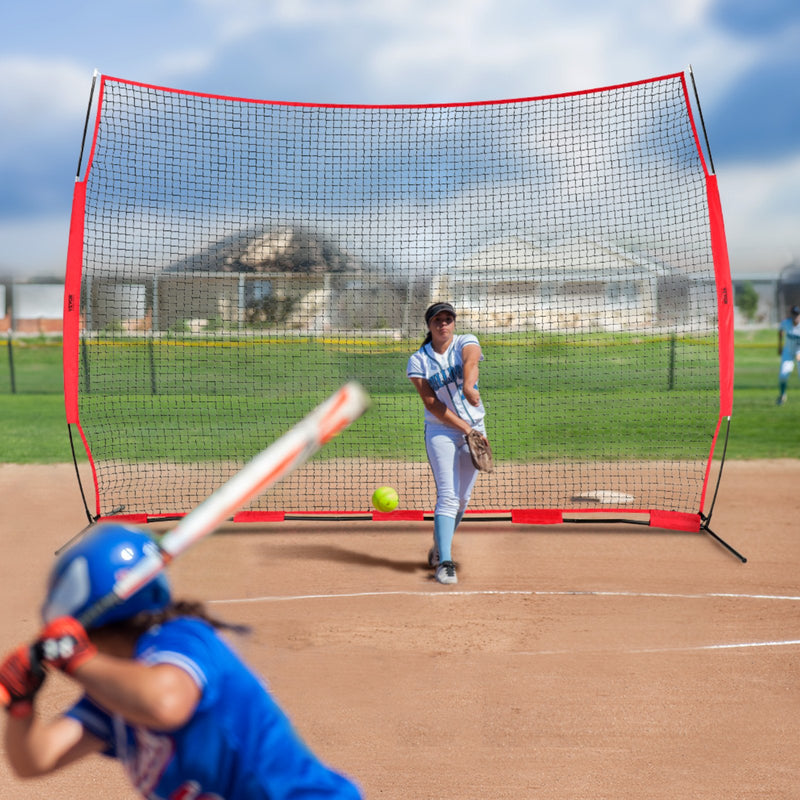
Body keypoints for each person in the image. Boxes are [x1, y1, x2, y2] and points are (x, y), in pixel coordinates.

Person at [0, 523, 362, 800]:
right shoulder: (117, 696)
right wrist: (21, 705)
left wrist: (75, 658)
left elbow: (166, 703)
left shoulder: (184, 638)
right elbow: (35, 760)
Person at [407, 302, 489, 585]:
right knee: (448, 495)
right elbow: (432, 404)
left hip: (475, 430)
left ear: (454, 323)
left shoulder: (466, 341)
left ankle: (439, 545)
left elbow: (471, 361)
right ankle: (445, 563)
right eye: (438, 320)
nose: (444, 324)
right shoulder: (419, 360)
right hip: (441, 431)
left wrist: (468, 387)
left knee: (463, 499)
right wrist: (468, 430)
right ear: (429, 326)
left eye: (448, 319)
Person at [777, 304, 800, 405]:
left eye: (797, 314)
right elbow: (780, 330)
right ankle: (782, 396)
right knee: (783, 375)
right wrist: (780, 347)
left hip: (799, 352)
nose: (796, 317)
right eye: (794, 314)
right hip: (788, 352)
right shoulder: (786, 323)